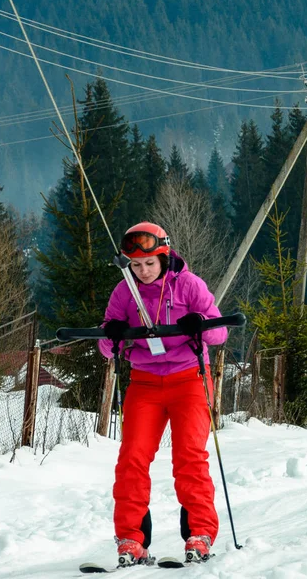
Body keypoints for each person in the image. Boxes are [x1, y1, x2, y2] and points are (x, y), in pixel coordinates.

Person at [98, 221, 228, 566]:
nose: (142, 271)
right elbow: (106, 349)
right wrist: (112, 334)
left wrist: (199, 323)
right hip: (144, 383)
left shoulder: (189, 285)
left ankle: (199, 534)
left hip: (189, 380)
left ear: (164, 257)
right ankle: (131, 539)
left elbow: (220, 335)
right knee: (132, 459)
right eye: (135, 265)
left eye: (149, 264)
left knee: (188, 458)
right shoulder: (124, 292)